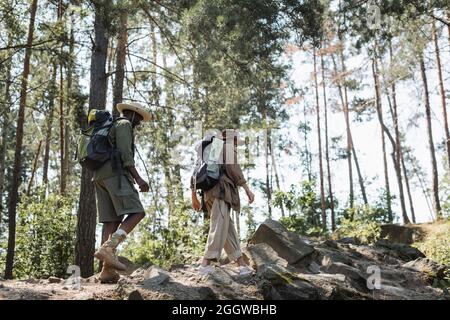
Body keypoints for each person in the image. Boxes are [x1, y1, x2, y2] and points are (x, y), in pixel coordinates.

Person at [93, 102, 151, 283]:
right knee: (137, 212)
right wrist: (139, 178)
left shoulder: (110, 126)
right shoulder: (124, 124)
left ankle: (106, 271)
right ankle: (109, 248)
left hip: (99, 176)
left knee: (112, 220)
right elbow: (126, 154)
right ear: (132, 114)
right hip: (115, 174)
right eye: (139, 119)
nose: (139, 123)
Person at [191, 129, 255, 276]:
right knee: (219, 225)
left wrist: (193, 195)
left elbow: (195, 172)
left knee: (227, 228)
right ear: (232, 140)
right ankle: (205, 263)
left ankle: (241, 265)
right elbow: (235, 170)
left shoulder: (209, 151)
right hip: (222, 192)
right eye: (236, 141)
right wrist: (247, 189)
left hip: (208, 194)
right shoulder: (227, 148)